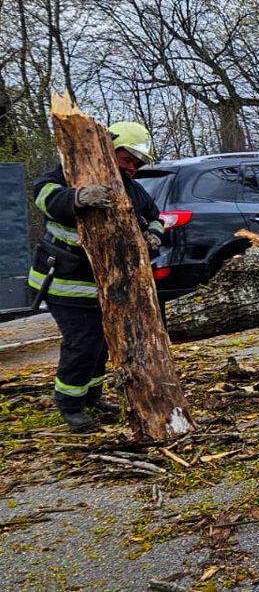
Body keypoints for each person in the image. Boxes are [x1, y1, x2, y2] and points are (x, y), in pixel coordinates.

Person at [28, 121, 164, 431]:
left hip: (101, 287)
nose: (131, 168)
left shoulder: (133, 190)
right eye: (126, 159)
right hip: (63, 282)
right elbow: (44, 196)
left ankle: (92, 396)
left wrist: (154, 236)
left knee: (102, 344)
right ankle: (69, 403)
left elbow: (157, 218)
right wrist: (78, 197)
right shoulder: (68, 173)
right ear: (108, 150)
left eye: (136, 163)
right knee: (84, 342)